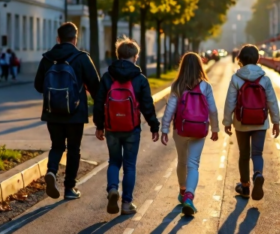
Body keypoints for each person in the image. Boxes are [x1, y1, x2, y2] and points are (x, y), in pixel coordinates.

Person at [93, 37, 160, 215]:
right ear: (135, 57)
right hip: (132, 129)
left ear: (118, 55)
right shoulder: (140, 79)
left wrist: (99, 126)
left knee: (114, 161)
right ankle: (126, 204)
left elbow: (99, 103)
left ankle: (113, 189)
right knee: (129, 165)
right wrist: (154, 126)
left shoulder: (108, 77)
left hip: (112, 128)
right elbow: (147, 105)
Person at [35, 22, 100, 201]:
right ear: (75, 39)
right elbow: (95, 86)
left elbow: (38, 86)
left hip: (52, 112)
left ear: (58, 38)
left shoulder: (47, 58)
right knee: (73, 149)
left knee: (56, 146)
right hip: (75, 113)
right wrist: (100, 112)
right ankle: (70, 188)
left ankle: (51, 171)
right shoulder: (81, 58)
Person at [160, 52, 219, 216]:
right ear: (200, 66)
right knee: (194, 164)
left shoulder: (177, 85)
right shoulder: (206, 86)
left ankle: (182, 189)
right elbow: (213, 110)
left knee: (182, 161)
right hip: (199, 130)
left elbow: (170, 110)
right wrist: (215, 129)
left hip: (181, 129)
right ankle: (189, 197)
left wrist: (164, 129)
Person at [223, 44, 280, 201]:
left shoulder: (236, 78)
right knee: (257, 153)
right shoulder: (265, 79)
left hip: (241, 122)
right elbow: (272, 102)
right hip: (260, 122)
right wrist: (276, 121)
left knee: (243, 154)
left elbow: (230, 102)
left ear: (240, 59)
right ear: (257, 59)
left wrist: (227, 121)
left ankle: (245, 186)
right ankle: (257, 174)